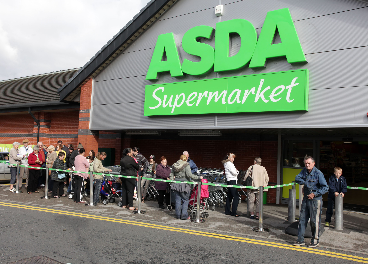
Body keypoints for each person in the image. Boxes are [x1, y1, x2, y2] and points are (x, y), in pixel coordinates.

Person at [293, 156, 329, 248]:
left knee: (314, 221)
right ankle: (300, 240)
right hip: (306, 199)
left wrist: (315, 194)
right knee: (302, 220)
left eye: (309, 163)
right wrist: (305, 182)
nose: (307, 165)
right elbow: (297, 178)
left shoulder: (318, 173)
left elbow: (325, 187)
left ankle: (315, 240)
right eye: (305, 163)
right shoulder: (304, 171)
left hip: (315, 200)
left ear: (313, 163)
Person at [171, 155, 203, 220]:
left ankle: (178, 215)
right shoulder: (186, 165)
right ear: (185, 159)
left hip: (176, 184)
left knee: (178, 199)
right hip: (184, 184)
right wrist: (198, 177)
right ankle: (184, 215)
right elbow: (189, 175)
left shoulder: (174, 165)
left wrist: (172, 182)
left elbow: (171, 174)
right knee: (185, 200)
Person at [222, 153, 240, 217]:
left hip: (229, 180)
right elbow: (234, 172)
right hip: (232, 180)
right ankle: (234, 212)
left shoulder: (227, 164)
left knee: (229, 196)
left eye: (233, 157)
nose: (233, 159)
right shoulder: (229, 164)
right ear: (228, 158)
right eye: (232, 157)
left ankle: (227, 211)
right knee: (236, 196)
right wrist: (237, 172)